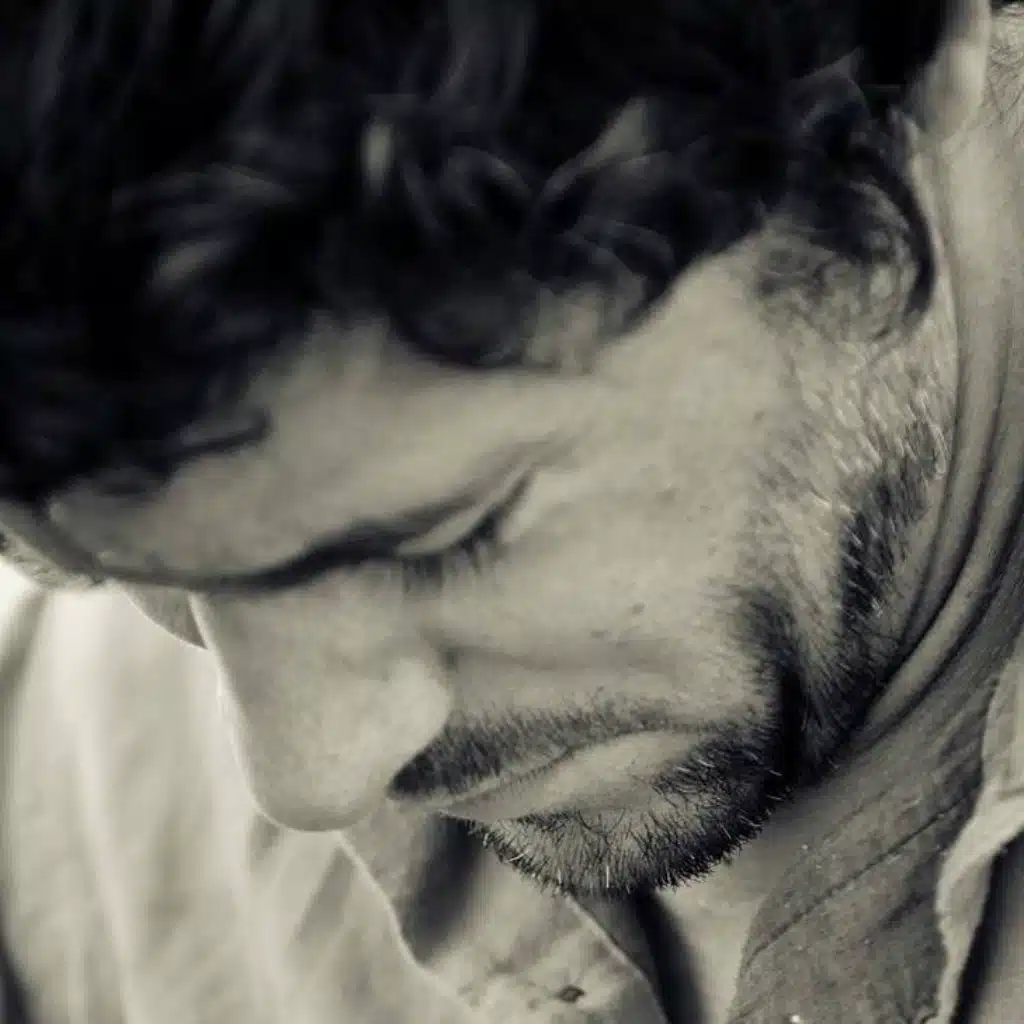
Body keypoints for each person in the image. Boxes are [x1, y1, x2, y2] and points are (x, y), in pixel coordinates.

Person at [0, 0, 1022, 1020]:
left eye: (444, 536)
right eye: (123, 569)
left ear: (905, 54)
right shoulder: (53, 787)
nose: (310, 777)